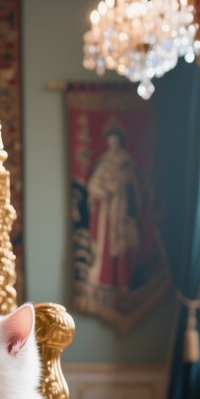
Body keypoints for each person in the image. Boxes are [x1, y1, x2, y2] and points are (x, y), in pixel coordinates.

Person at [86, 123, 142, 288]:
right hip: (107, 209)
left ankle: (124, 278)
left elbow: (135, 186)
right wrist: (105, 192)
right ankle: (106, 277)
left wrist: (125, 189)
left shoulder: (127, 161)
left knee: (123, 240)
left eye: (116, 140)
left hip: (123, 207)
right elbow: (93, 185)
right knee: (107, 242)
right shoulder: (104, 162)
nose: (113, 144)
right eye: (111, 141)